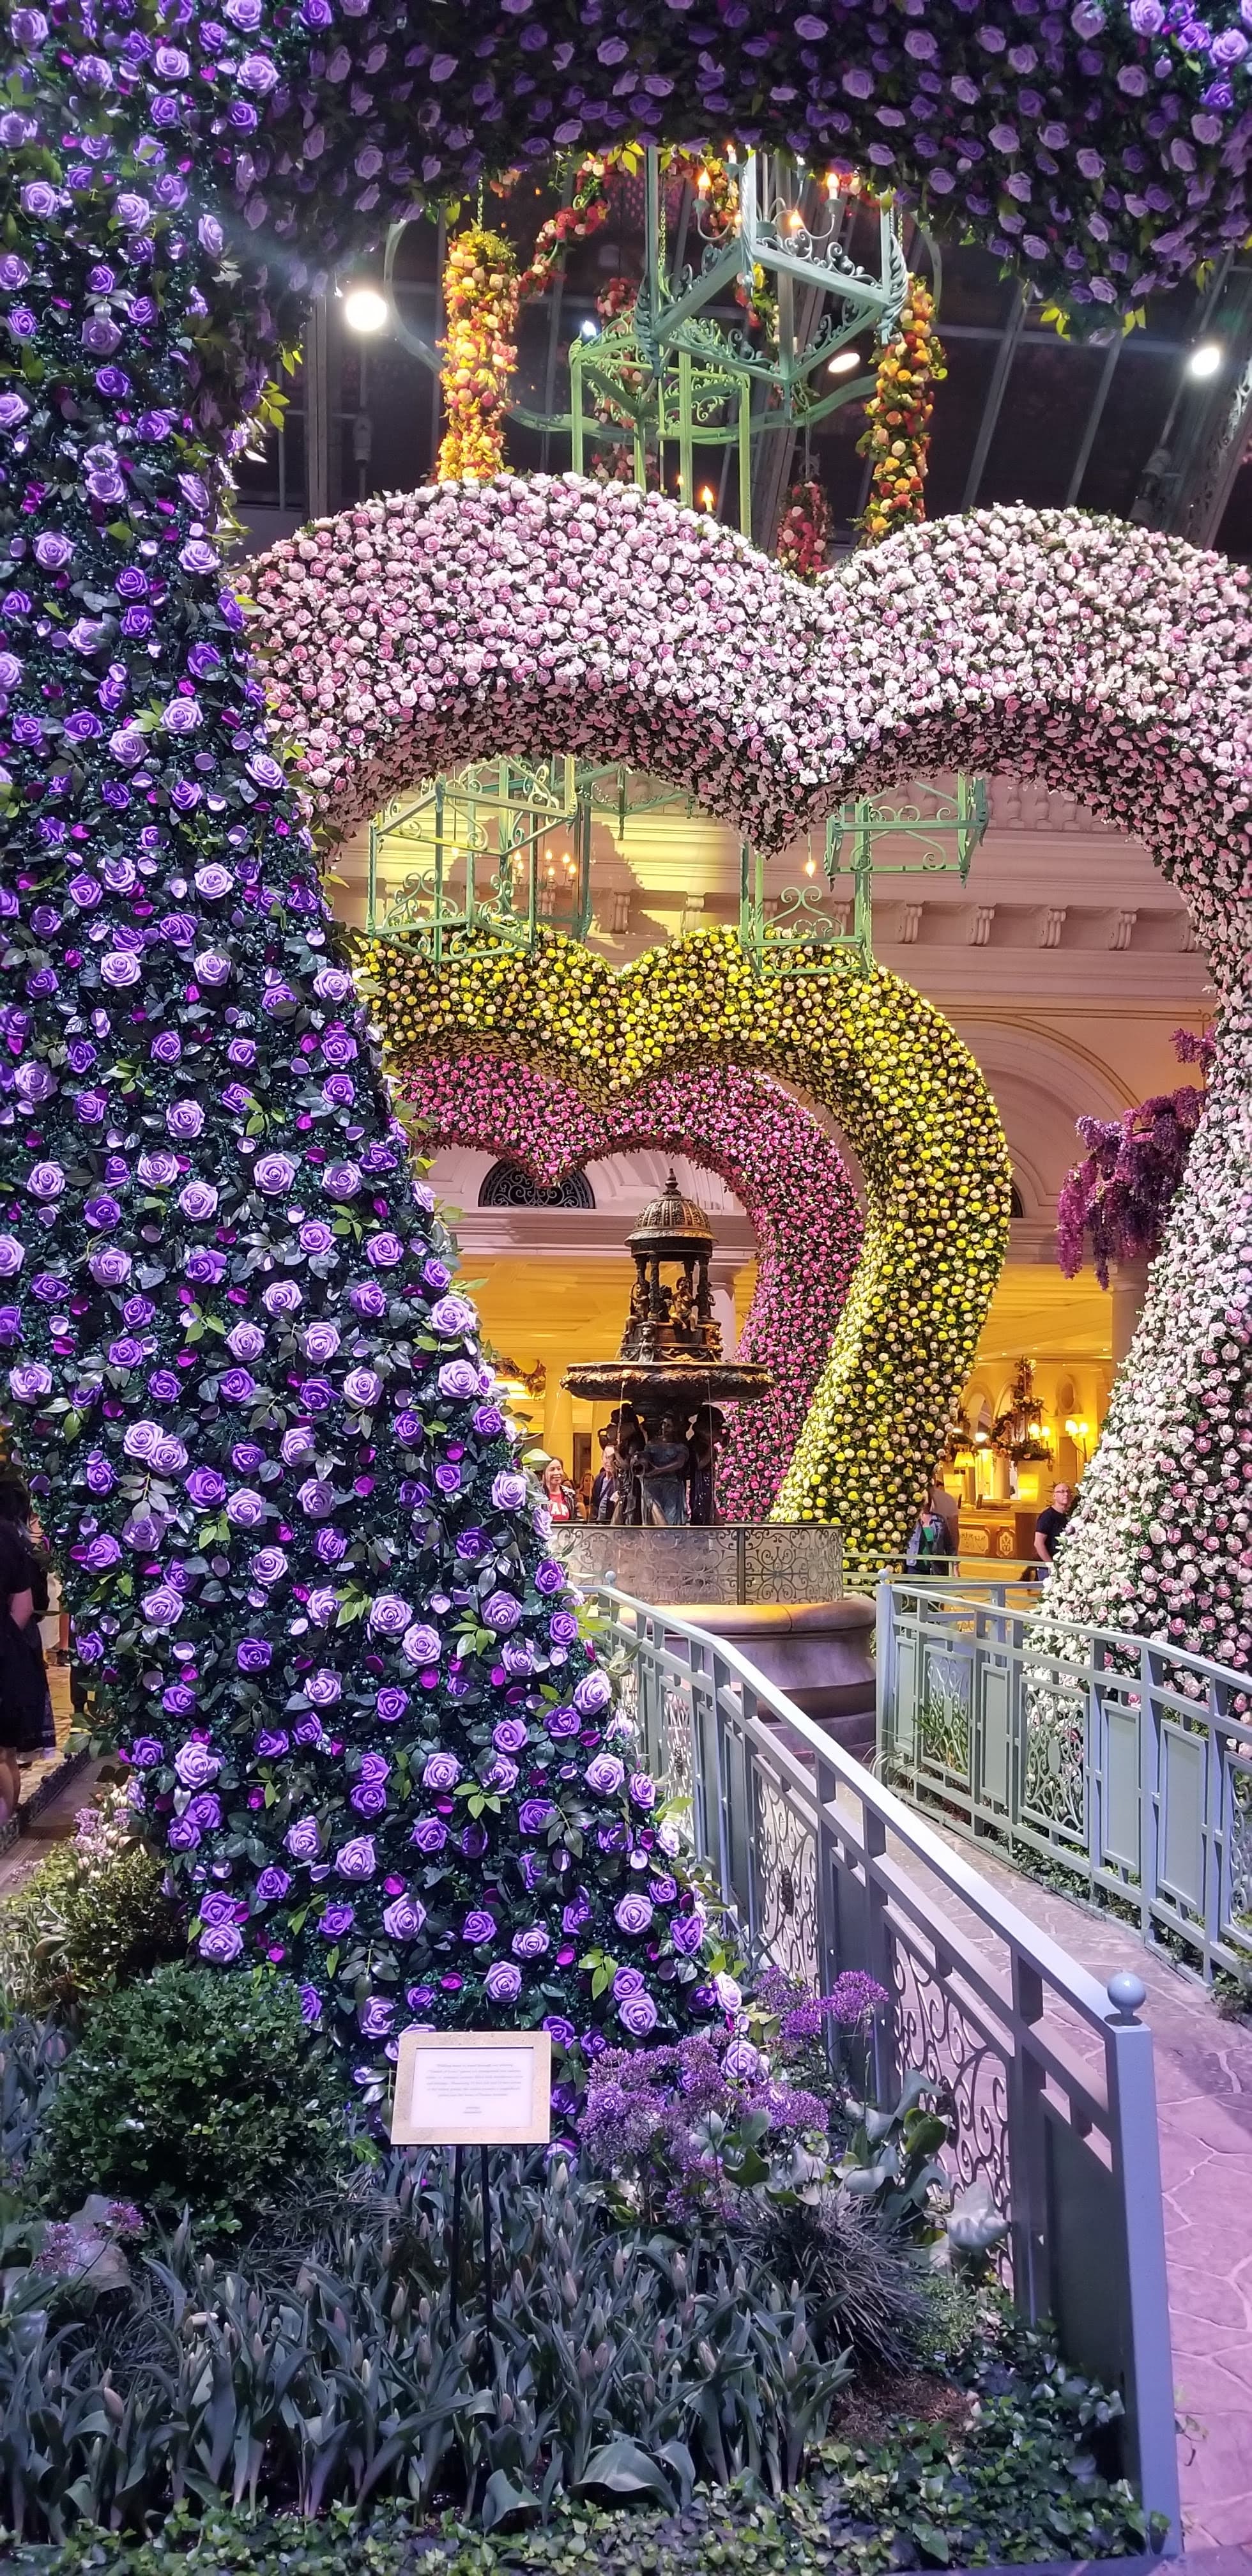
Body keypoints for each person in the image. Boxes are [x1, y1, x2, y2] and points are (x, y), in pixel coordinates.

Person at [0, 1470, 55, 1811]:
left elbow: (24, 1605)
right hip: (7, 1650)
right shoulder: (8, 1538)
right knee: (3, 1752)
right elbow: (23, 1607)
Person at [639, 1413, 691, 1527]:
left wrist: (659, 1470)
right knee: (653, 1516)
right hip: (652, 1486)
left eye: (669, 1425)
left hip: (671, 1486)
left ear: (676, 1428)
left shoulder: (679, 1446)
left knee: (670, 1518)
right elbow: (645, 1457)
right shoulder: (652, 1443)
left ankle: (671, 1543)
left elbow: (679, 1463)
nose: (664, 1428)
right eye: (664, 1424)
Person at [1034, 1480, 1073, 1576]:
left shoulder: (1067, 1517)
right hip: (1048, 1569)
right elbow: (1038, 1543)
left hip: (1064, 1566)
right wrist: (1051, 1565)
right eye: (1062, 1492)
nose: (1066, 1494)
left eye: (1068, 1492)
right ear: (1054, 1496)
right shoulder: (1047, 1516)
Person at [590, 1434, 618, 1524]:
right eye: (606, 1457)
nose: (609, 1462)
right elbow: (594, 1505)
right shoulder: (599, 1479)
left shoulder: (621, 1481)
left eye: (613, 1458)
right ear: (602, 1458)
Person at [540, 1456, 577, 1524]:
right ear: (544, 1473)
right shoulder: (537, 1494)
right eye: (552, 1469)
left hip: (566, 1534)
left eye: (559, 1469)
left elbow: (577, 1519)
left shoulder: (570, 1494)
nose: (556, 1473)